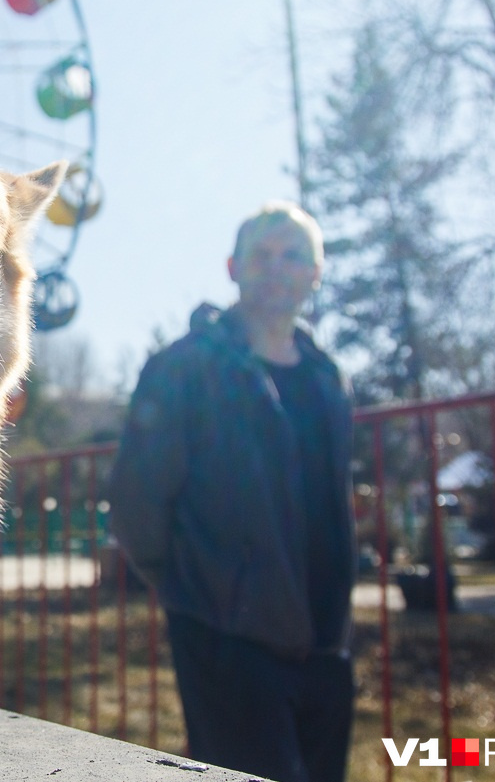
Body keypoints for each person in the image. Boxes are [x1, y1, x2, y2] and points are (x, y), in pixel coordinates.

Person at [108, 201, 357, 782]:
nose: (277, 268)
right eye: (261, 255)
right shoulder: (185, 368)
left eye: (293, 256)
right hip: (225, 637)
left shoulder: (330, 377)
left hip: (327, 639)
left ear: (314, 274)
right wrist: (195, 590)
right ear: (232, 268)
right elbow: (137, 503)